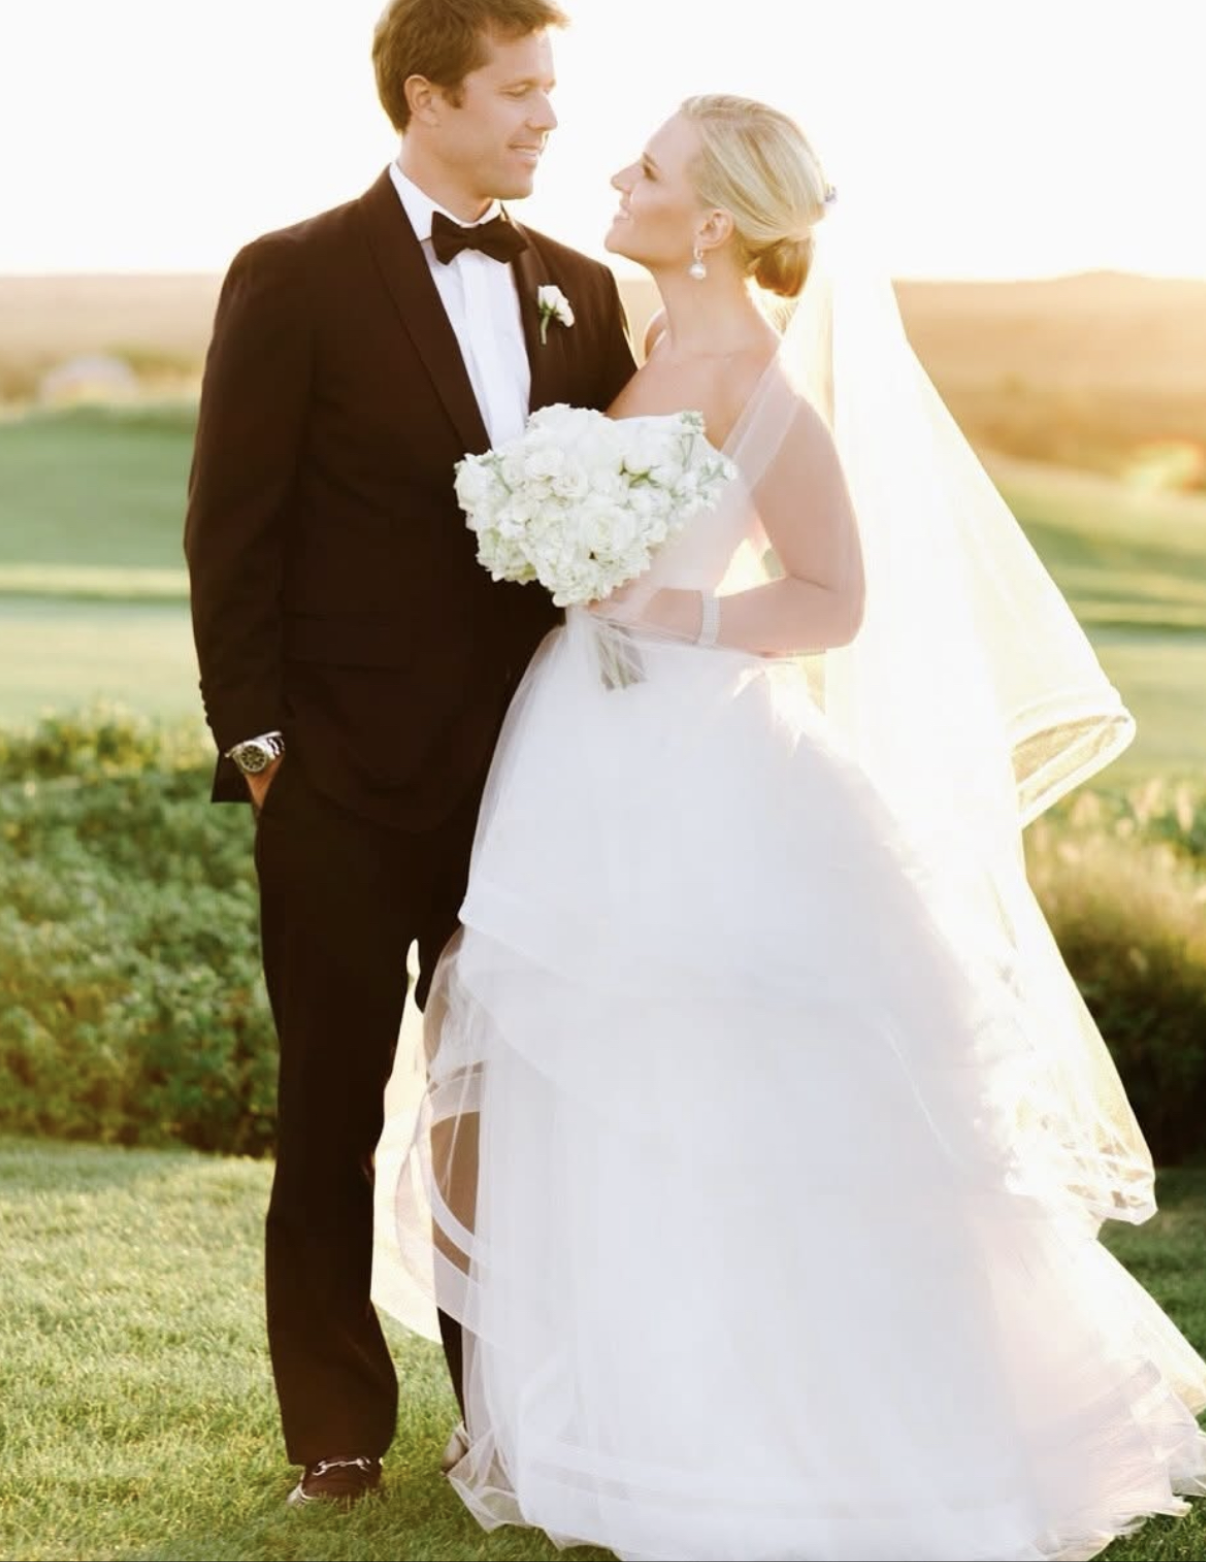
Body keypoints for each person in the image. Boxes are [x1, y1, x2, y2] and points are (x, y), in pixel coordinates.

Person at [377, 94, 1206, 1559]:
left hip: (704, 759)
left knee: (732, 1072)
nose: (616, 178)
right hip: (579, 746)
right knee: (601, 1074)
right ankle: (629, 1413)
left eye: (647, 168)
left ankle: (804, 1424)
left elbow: (833, 596)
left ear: (710, 221)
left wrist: (674, 608)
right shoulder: (634, 354)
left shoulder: (765, 390)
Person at [183, 0, 636, 1508]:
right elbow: (230, 525)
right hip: (329, 778)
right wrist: (258, 745)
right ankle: (334, 1426)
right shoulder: (295, 274)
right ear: (426, 97)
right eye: (518, 91)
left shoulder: (580, 290)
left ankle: (503, 1414)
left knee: (501, 1109)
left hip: (524, 775)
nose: (548, 118)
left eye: (551, 90)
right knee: (328, 1101)